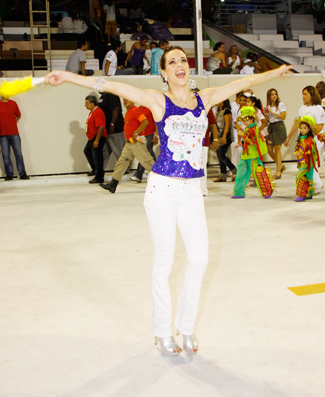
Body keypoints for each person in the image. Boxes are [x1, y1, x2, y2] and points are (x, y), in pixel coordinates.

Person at [45, 48, 293, 357]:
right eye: (172, 61)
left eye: (183, 61)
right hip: (162, 189)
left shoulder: (206, 98)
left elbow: (246, 81)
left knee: (199, 259)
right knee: (164, 260)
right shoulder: (157, 100)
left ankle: (186, 327)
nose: (179, 65)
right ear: (163, 72)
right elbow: (110, 86)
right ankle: (162, 332)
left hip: (192, 191)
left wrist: (277, 71)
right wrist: (67, 76)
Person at [100, 99, 155, 192]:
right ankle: (113, 184)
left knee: (147, 162)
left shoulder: (135, 110)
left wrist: (136, 133)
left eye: (128, 100)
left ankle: (164, 181)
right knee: (122, 162)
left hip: (137, 143)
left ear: (133, 101)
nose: (125, 102)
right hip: (129, 143)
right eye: (124, 100)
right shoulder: (129, 111)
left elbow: (145, 122)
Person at [284, 85, 325, 194]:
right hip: (302, 142)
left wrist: (310, 138)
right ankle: (313, 185)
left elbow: (320, 125)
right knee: (304, 164)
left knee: (312, 164)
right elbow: (297, 124)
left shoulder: (318, 108)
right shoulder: (302, 108)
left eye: (305, 94)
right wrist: (289, 136)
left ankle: (316, 185)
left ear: (312, 95)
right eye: (302, 94)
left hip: (314, 142)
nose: (303, 96)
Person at [232, 106, 273, 199]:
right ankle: (238, 192)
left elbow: (252, 142)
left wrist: (243, 135)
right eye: (244, 121)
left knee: (259, 174)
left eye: (247, 120)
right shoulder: (248, 128)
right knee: (241, 173)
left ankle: (267, 191)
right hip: (246, 154)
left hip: (253, 154)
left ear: (251, 120)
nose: (245, 122)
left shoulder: (254, 129)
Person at [0, 96, 29, 180]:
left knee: (18, 154)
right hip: (2, 134)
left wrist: (11, 122)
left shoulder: (13, 103)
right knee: (6, 156)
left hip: (14, 133)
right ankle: (9, 174)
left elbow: (18, 115)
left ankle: (22, 173)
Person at [294, 116, 320, 202]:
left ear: (309, 129)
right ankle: (309, 193)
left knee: (299, 176)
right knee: (308, 177)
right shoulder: (301, 139)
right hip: (302, 161)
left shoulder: (310, 140)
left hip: (307, 162)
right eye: (301, 128)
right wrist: (297, 151)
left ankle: (302, 194)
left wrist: (301, 153)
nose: (302, 130)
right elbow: (298, 148)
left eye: (304, 128)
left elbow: (312, 152)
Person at [98, 91, 125, 170]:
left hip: (115, 129)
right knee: (104, 152)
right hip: (106, 130)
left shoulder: (111, 95)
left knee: (119, 150)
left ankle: (123, 169)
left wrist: (112, 124)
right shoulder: (103, 96)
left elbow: (116, 109)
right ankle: (100, 170)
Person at [84, 94, 107, 184]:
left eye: (87, 103)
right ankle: (95, 169)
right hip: (92, 137)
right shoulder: (92, 111)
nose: (85, 105)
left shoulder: (97, 112)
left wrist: (97, 140)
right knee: (87, 151)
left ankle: (99, 177)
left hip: (97, 137)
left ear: (93, 103)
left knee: (97, 157)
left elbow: (101, 127)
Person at [130, 105, 157, 183]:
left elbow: (156, 122)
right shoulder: (138, 109)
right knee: (148, 153)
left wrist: (156, 135)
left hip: (150, 133)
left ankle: (138, 174)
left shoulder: (150, 108)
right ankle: (157, 169)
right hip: (142, 134)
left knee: (147, 153)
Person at [264, 89, 287, 179]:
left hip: (279, 125)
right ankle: (280, 165)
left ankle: (278, 171)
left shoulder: (280, 104)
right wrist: (266, 114)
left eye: (275, 94)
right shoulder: (267, 106)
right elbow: (268, 119)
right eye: (272, 94)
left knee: (277, 148)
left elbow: (283, 116)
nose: (274, 96)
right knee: (269, 149)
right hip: (271, 126)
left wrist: (272, 112)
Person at [213, 99, 237, 182]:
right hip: (218, 136)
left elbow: (228, 124)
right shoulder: (217, 111)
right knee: (220, 156)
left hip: (224, 136)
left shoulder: (227, 111)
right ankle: (222, 175)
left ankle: (234, 171)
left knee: (221, 155)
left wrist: (224, 136)